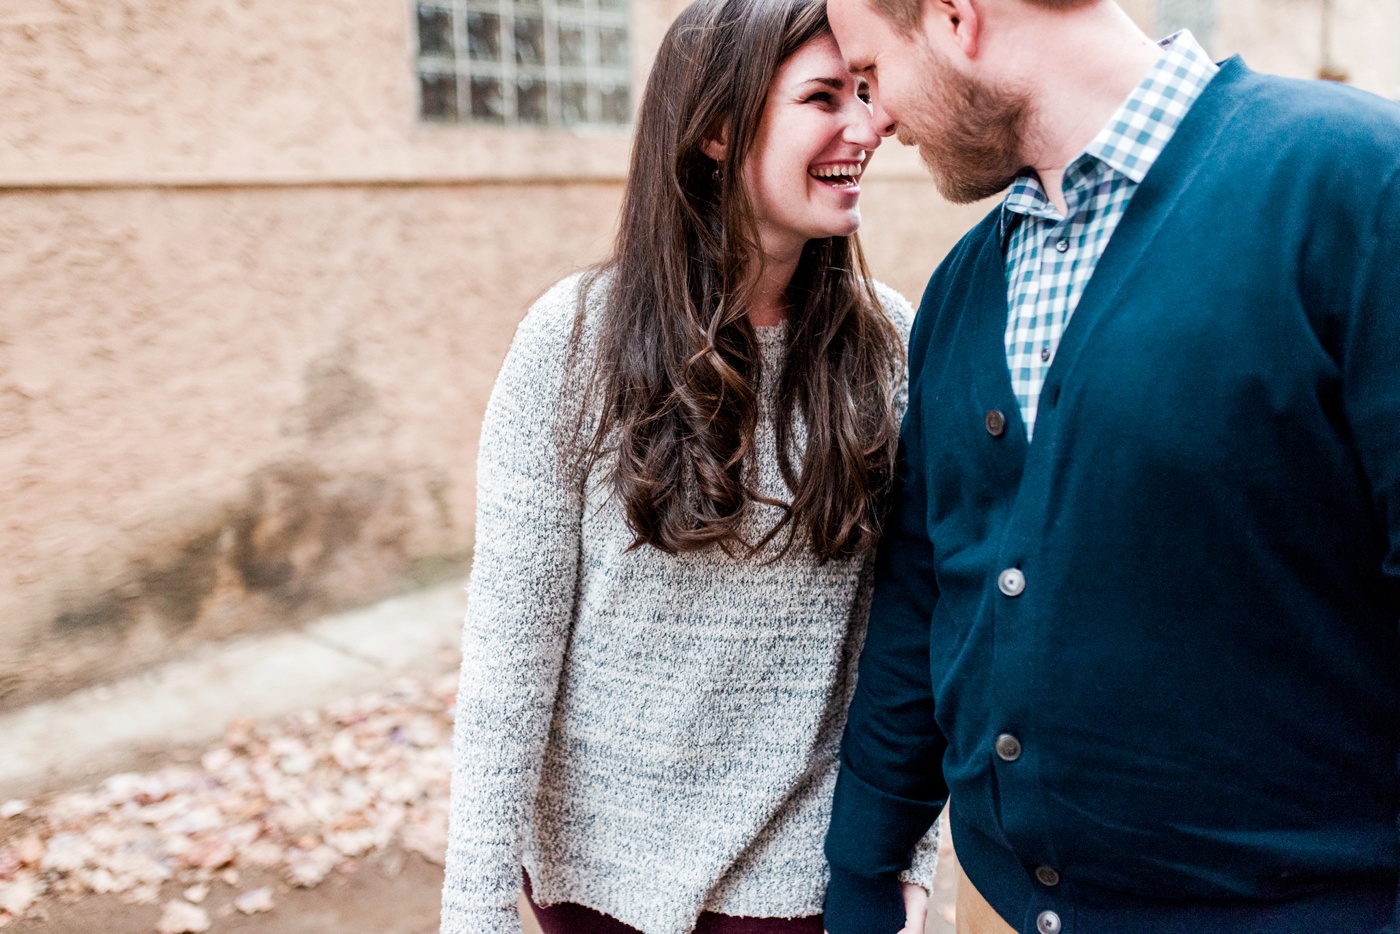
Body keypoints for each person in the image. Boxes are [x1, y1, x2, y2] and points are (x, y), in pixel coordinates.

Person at [818, 0, 1400, 932]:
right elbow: (924, 596)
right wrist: (863, 868)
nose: (875, 121)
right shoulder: (963, 290)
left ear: (960, 18)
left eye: (872, 73)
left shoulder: (1360, 185)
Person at [438, 1, 941, 932]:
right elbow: (512, 647)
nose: (866, 127)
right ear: (715, 129)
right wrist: (475, 912)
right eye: (824, 96)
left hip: (799, 885)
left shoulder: (891, 349)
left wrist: (907, 858)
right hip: (594, 882)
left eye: (866, 94)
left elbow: (906, 632)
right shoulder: (573, 340)